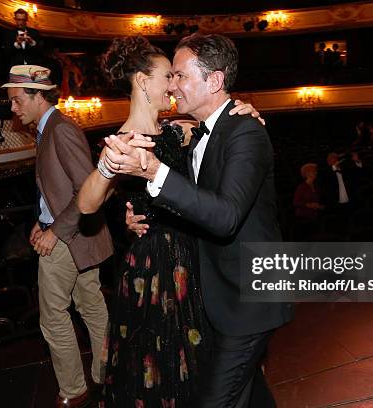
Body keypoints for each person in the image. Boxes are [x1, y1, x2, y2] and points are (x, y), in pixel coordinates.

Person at [102, 33, 293, 407]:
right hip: (214, 292)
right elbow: (195, 202)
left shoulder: (245, 132)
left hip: (247, 296)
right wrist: (140, 213)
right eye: (169, 77)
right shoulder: (198, 132)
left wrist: (155, 173)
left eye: (179, 76)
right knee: (249, 391)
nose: (172, 86)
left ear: (215, 81)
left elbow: (224, 216)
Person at [2, 65, 113, 408]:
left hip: (69, 238)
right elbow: (60, 188)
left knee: (52, 317)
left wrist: (55, 231)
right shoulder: (48, 128)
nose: (13, 108)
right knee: (92, 307)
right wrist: (43, 219)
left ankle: (74, 389)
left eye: (18, 100)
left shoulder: (60, 129)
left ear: (38, 96)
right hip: (75, 233)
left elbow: (90, 189)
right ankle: (106, 374)